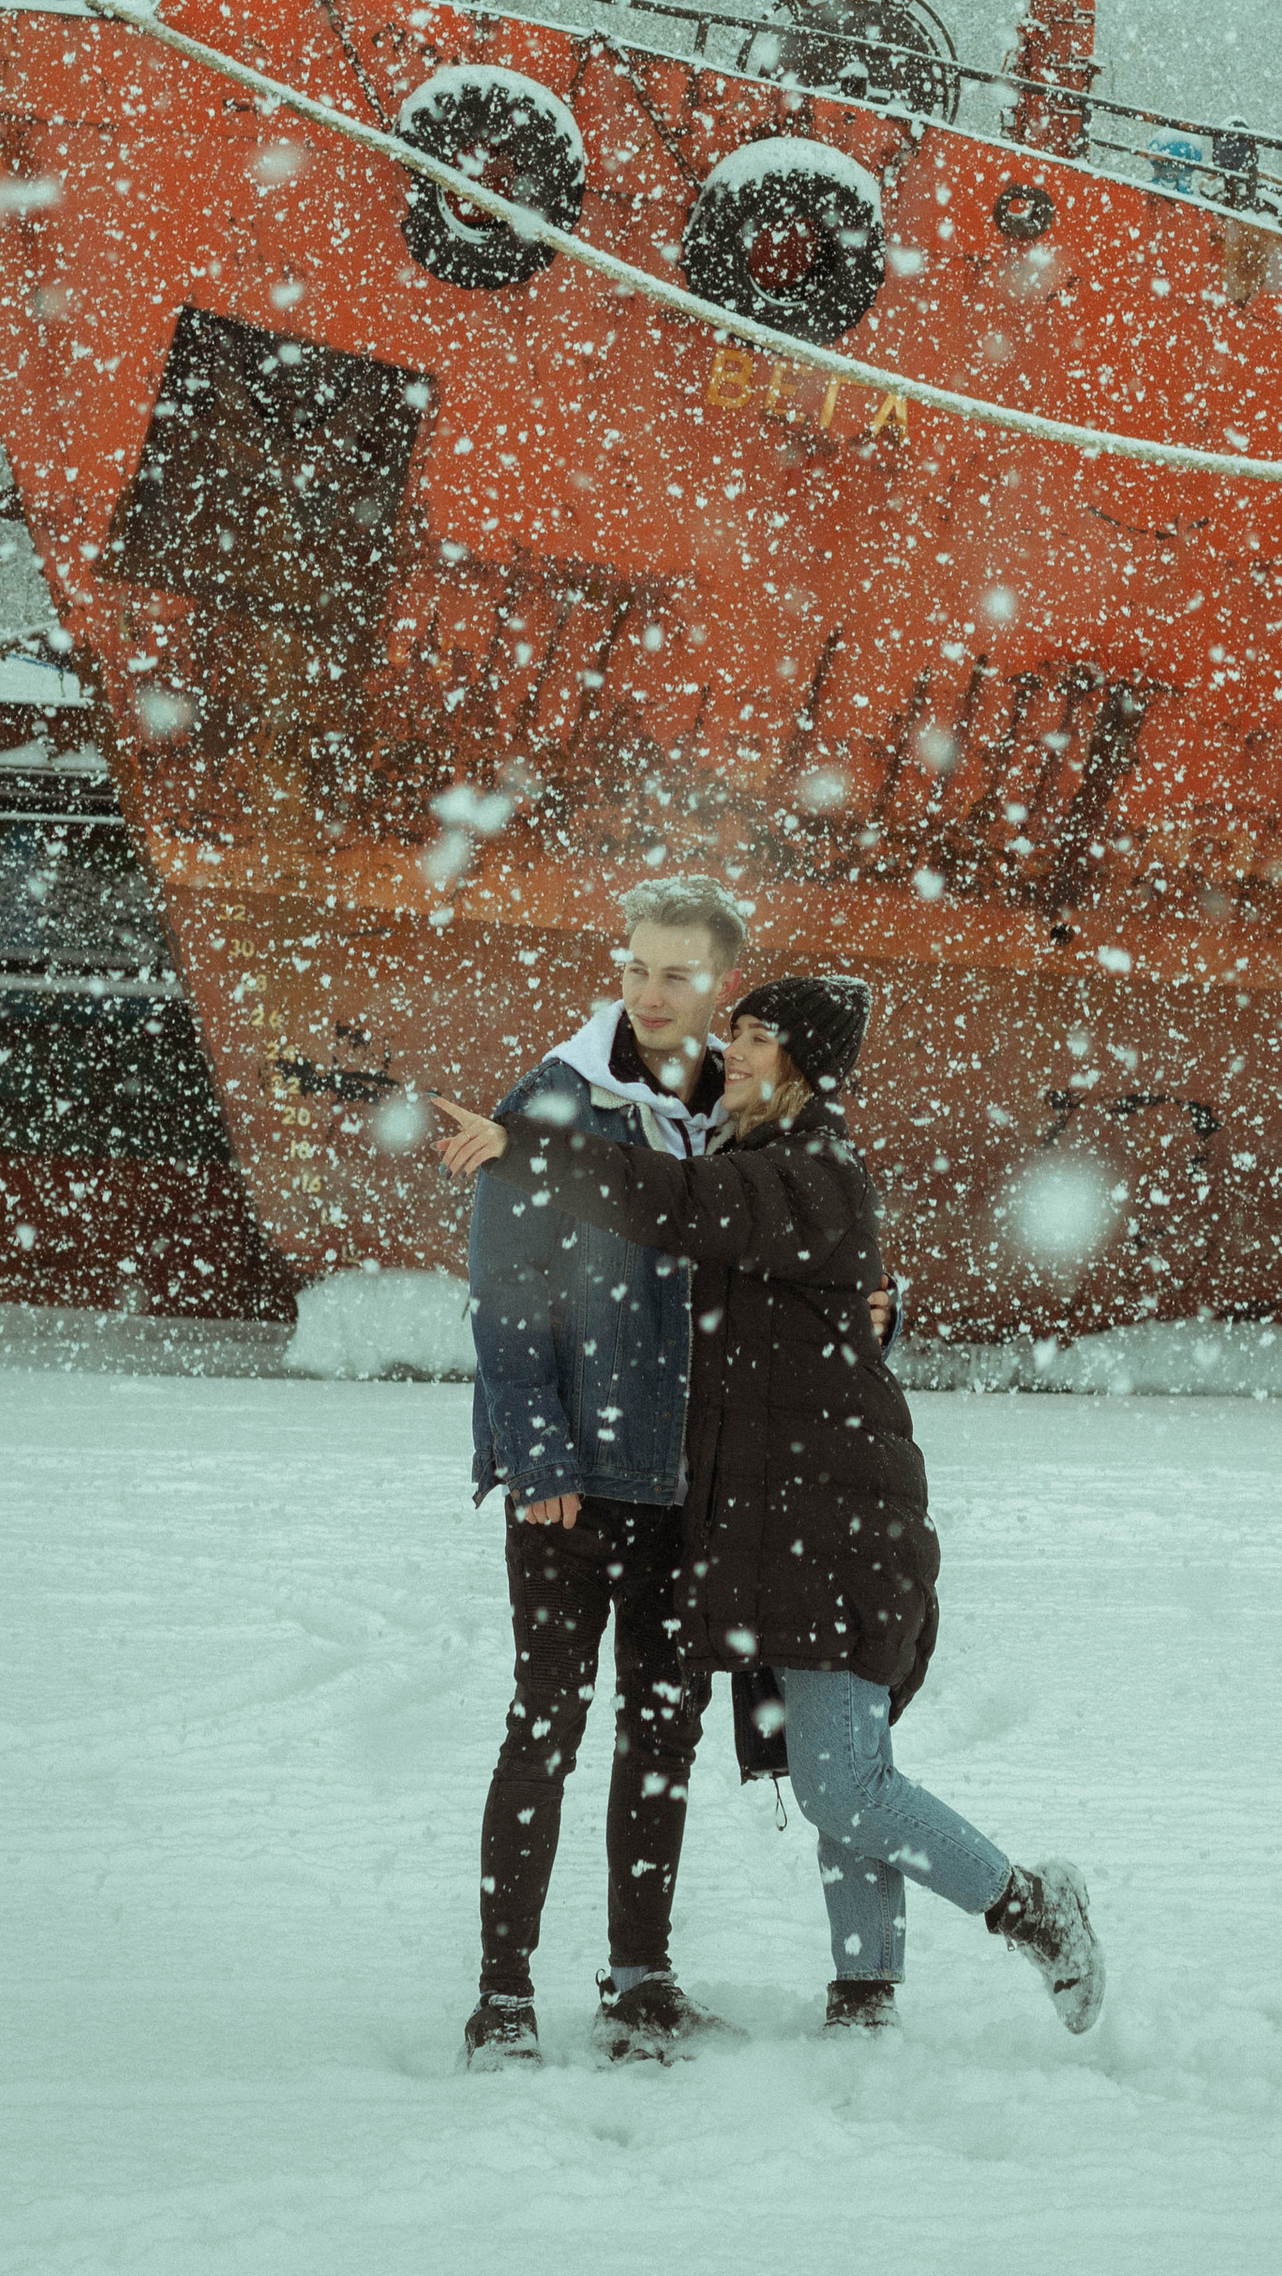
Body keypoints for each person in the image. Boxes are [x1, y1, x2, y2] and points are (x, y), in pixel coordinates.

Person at [443, 972, 1104, 2039]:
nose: (730, 1051)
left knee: (842, 1783)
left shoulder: (803, 1172)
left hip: (837, 1522)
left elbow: (674, 1207)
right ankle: (865, 1998)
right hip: (777, 1520)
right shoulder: (766, 1167)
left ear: (801, 1066)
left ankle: (1028, 1904)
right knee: (835, 1769)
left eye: (753, 1037)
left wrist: (530, 1145)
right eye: (737, 1032)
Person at [458, 877, 748, 2072]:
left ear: (720, 982)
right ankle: (503, 1999)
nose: (650, 992)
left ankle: (638, 1986)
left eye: (677, 973)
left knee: (663, 1735)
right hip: (572, 1485)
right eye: (635, 966)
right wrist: (534, 1453)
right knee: (546, 1729)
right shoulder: (555, 1102)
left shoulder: (743, 1112)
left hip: (690, 1488)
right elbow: (503, 1295)